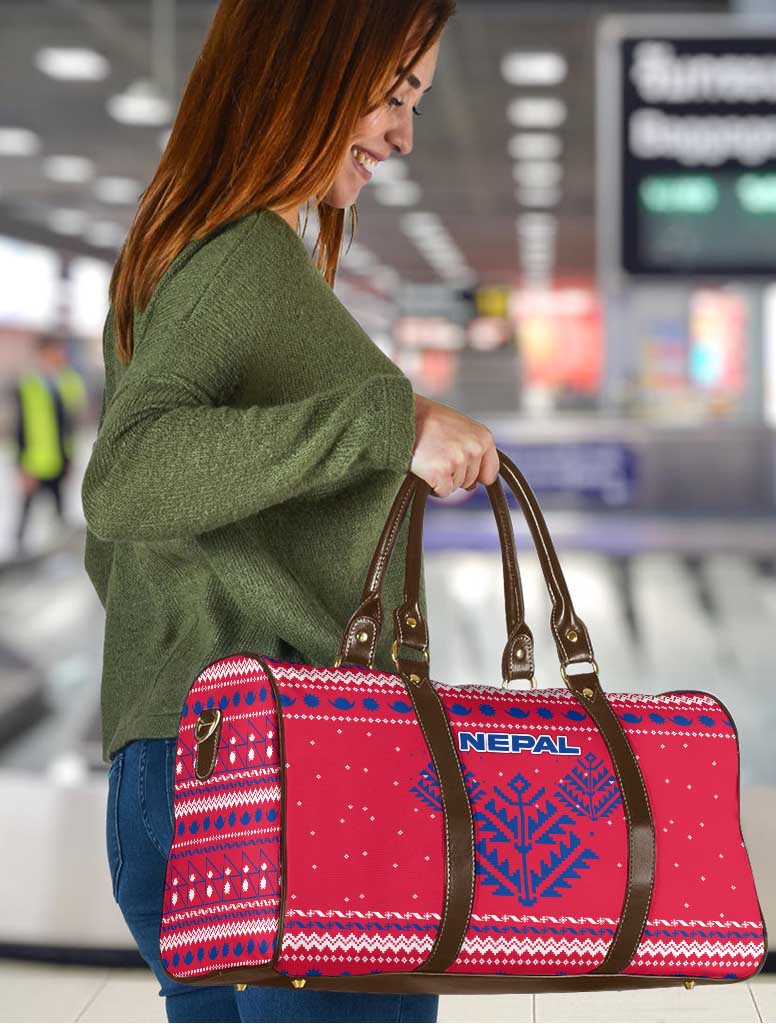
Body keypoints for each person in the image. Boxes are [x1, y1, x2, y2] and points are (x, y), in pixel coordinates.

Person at [80, 2, 497, 1021]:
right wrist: (384, 423)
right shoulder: (239, 260)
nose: (402, 133)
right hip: (294, 772)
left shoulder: (189, 251)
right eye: (395, 94)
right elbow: (126, 477)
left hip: (187, 758)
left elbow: (134, 538)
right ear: (307, 64)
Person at [11, 331, 85, 556]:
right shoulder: (28, 385)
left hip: (60, 459)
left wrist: (70, 458)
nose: (59, 355)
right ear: (43, 353)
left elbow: (71, 419)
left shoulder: (65, 381)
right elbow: (20, 428)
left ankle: (59, 554)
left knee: (60, 511)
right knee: (26, 512)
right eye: (54, 351)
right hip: (35, 462)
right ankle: (18, 554)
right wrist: (22, 466)